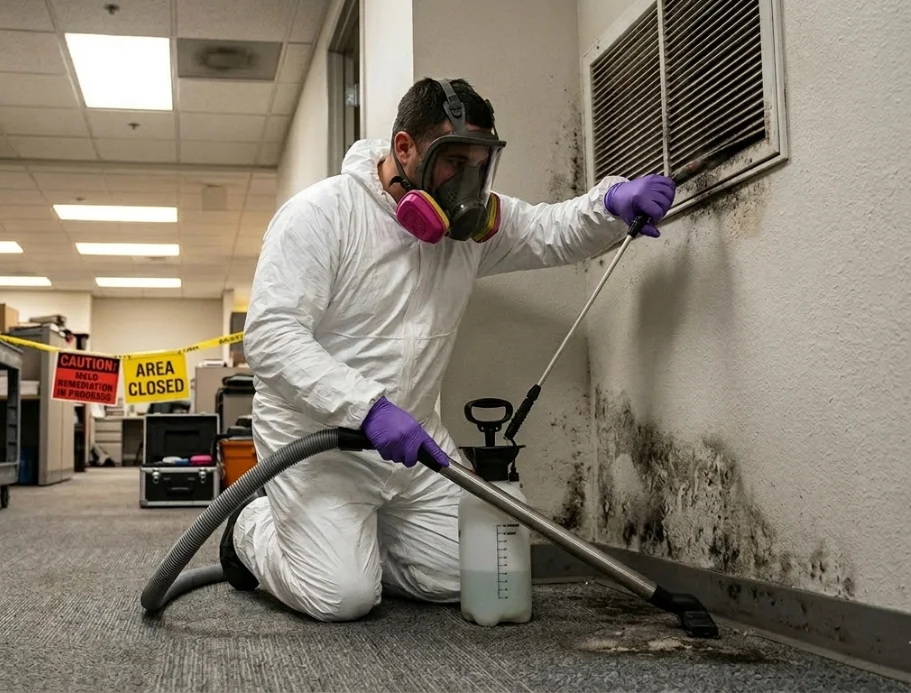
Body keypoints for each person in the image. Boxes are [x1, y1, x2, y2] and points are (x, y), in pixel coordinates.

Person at [221, 77, 676, 622]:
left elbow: (546, 230)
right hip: (320, 446)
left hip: (415, 442)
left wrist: (610, 204)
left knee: (470, 573)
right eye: (451, 160)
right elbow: (271, 338)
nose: (466, 180)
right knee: (341, 597)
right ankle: (251, 527)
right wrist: (365, 407)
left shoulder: (465, 229)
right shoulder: (321, 215)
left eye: (478, 163)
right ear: (405, 147)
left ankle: (350, 542)